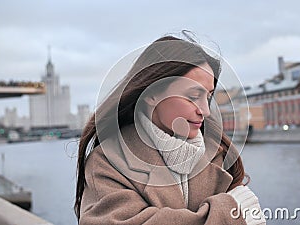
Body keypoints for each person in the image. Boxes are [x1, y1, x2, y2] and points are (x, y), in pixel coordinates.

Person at [75, 33, 266, 225]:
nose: (205, 111)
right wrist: (231, 212)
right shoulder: (108, 160)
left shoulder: (219, 153)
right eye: (192, 96)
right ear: (151, 95)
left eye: (207, 97)